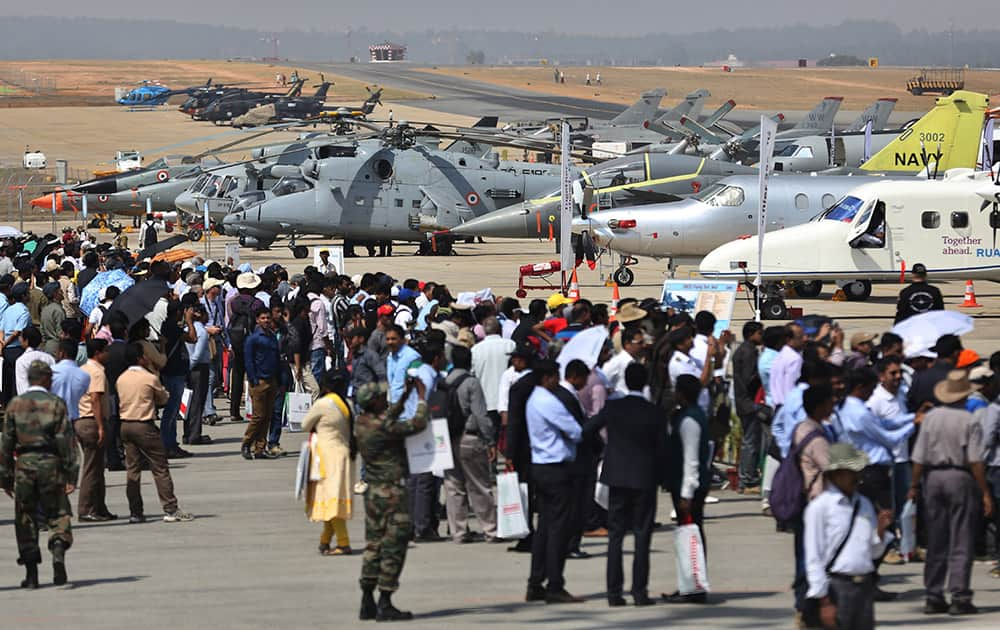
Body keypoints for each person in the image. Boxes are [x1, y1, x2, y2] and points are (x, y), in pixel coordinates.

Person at [910, 370, 994, 615]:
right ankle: (959, 594)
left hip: (933, 477)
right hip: (959, 476)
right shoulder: (968, 420)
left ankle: (933, 593)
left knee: (937, 538)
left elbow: (919, 457)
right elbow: (975, 460)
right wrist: (985, 492)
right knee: (961, 536)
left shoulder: (931, 418)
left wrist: (914, 485)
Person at [585, 363, 665, 607]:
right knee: (642, 536)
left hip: (617, 476)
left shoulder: (614, 407)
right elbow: (663, 448)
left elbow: (588, 429)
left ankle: (613, 592)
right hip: (644, 477)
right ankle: (639, 592)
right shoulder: (654, 412)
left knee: (616, 536)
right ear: (645, 383)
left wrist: (605, 453)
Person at [355, 378, 429, 622]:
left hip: (373, 494)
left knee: (373, 544)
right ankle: (385, 601)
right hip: (392, 494)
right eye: (380, 398)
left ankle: (367, 598)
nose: (383, 400)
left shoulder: (362, 422)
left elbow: (388, 416)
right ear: (373, 402)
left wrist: (405, 395)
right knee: (394, 546)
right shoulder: (384, 426)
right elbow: (417, 424)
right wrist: (421, 398)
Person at [0, 361, 78, 588]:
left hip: (24, 465)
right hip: (51, 464)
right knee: (58, 512)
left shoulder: (15, 404)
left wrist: (5, 478)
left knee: (25, 517)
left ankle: (32, 573)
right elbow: (66, 441)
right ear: (43, 378)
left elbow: (6, 444)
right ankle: (58, 548)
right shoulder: (56, 403)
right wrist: (71, 474)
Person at [804, 443, 894, 630]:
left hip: (864, 586)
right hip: (837, 587)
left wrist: (880, 531)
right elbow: (813, 557)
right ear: (834, 475)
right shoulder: (820, 507)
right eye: (849, 472)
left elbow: (872, 552)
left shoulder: (864, 504)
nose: (856, 476)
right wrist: (824, 601)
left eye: (856, 471)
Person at [524, 359, 584, 605]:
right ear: (547, 378)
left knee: (546, 526)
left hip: (541, 465)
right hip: (555, 468)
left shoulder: (533, 399)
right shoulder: (547, 401)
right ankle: (555, 584)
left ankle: (536, 581)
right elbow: (575, 430)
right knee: (558, 528)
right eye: (555, 377)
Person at [117, 342, 194, 524]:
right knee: (160, 467)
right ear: (140, 358)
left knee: (133, 470)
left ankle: (136, 512)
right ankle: (170, 508)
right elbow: (162, 398)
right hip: (144, 424)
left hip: (126, 425)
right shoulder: (148, 378)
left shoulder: (121, 378)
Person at [663, 374, 713, 604]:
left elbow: (691, 460)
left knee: (691, 535)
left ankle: (695, 585)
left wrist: (686, 494)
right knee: (688, 535)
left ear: (682, 393)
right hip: (686, 484)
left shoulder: (690, 420)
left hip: (689, 487)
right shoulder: (686, 416)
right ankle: (689, 583)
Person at [441, 345, 497, 543]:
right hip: (469, 437)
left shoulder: (445, 382)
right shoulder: (471, 383)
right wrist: (490, 440)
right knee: (479, 485)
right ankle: (490, 529)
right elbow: (481, 414)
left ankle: (459, 532)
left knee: (453, 486)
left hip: (447, 438)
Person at [303, 373, 355, 556]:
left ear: (325, 387)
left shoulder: (323, 404)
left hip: (326, 459)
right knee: (332, 501)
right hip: (344, 456)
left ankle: (343, 543)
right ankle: (324, 541)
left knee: (331, 503)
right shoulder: (347, 405)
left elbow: (305, 424)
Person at [76, 339, 116, 522]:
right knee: (92, 468)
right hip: (92, 421)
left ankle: (99, 507)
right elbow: (95, 399)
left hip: (82, 420)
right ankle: (86, 509)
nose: (108, 354)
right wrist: (101, 426)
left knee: (98, 467)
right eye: (106, 350)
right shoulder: (96, 372)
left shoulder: (83, 369)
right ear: (98, 352)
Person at [227, 273, 265, 424]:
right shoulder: (258, 303)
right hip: (253, 342)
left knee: (237, 376)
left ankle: (234, 411)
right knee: (254, 377)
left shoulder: (233, 302)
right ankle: (255, 409)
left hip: (237, 341)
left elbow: (229, 319)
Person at [243, 308, 281, 460]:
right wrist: (253, 379)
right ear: (257, 320)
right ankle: (246, 442)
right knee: (258, 416)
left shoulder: (272, 336)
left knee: (267, 416)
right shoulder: (253, 338)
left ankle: (260, 448)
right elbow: (249, 360)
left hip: (271, 380)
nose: (266, 320)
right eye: (263, 318)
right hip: (259, 381)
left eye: (268, 318)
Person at [732, 321, 765, 493]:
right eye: (760, 333)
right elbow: (749, 379)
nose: (762, 336)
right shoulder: (749, 352)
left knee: (750, 441)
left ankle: (747, 477)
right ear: (751, 334)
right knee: (751, 442)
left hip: (743, 400)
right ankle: (747, 480)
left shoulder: (744, 350)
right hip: (749, 403)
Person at [184, 302, 212, 446]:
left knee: (188, 402)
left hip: (189, 368)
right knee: (197, 402)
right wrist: (190, 367)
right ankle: (194, 434)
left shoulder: (187, 328)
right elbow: (197, 354)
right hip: (198, 368)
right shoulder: (201, 331)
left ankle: (188, 433)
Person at [1, 282, 32, 403]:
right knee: (16, 379)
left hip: (6, 348)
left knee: (7, 377)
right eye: (28, 294)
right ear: (23, 296)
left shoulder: (9, 310)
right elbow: (17, 332)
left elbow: (1, 330)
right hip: (16, 348)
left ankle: (5, 403)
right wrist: (6, 343)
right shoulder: (24, 311)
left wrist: (2, 344)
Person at [770, 323, 806, 408]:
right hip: (790, 406)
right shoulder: (794, 359)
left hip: (777, 405)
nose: (805, 339)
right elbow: (791, 387)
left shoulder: (780, 355)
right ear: (788, 339)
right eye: (800, 337)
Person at [15, 326, 55, 395]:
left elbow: (22, 386)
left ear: (26, 341)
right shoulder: (49, 358)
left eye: (21, 336)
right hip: (48, 399)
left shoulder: (21, 361)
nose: (19, 339)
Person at [39, 282, 65, 356]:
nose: (62, 292)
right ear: (55, 294)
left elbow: (42, 330)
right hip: (57, 347)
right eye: (60, 291)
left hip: (47, 346)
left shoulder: (45, 309)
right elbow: (61, 333)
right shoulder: (58, 310)